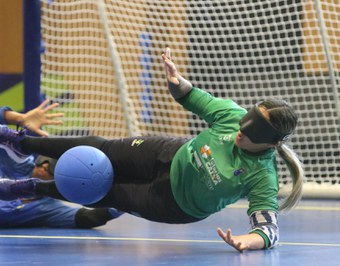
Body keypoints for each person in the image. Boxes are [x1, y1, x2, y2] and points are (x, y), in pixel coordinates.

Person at [0, 47, 304, 251]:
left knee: (98, 191)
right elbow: (189, 94)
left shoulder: (262, 176)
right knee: (97, 148)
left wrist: (247, 241)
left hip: (173, 203)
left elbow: (268, 231)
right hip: (165, 154)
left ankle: (29, 189)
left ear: (271, 143)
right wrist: (175, 80)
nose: (241, 131)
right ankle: (20, 141)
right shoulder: (231, 116)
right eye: (245, 122)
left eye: (253, 132)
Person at [0, 103, 123, 228]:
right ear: (44, 164)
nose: (60, 181)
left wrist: (121, 204)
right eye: (55, 174)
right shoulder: (17, 159)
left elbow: (86, 218)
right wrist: (17, 118)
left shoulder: (47, 208)